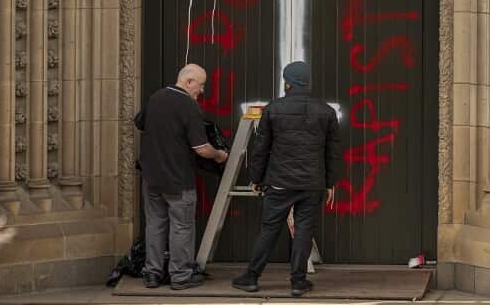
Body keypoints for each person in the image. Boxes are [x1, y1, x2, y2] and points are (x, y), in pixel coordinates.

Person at [231, 60, 339, 297]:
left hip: (279, 181)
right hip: (312, 183)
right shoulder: (327, 112)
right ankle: (298, 282)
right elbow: (332, 152)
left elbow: (261, 149)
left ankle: (251, 277)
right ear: (308, 82)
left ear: (287, 83)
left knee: (269, 229)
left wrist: (256, 178)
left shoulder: (273, 109)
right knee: (303, 231)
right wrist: (330, 183)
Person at [138, 63, 228, 290]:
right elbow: (201, 148)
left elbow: (140, 123)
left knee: (155, 224)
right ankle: (180, 276)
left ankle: (152, 274)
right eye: (201, 85)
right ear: (189, 82)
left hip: (151, 178)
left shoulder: (156, 97)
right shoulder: (189, 106)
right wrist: (219, 155)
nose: (202, 90)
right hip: (179, 180)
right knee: (182, 227)